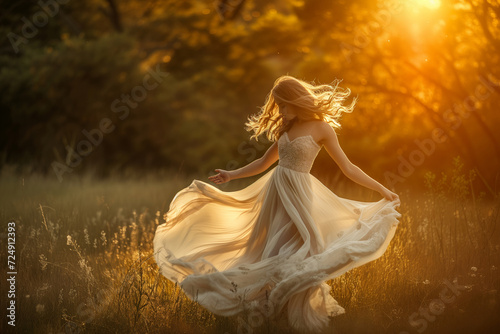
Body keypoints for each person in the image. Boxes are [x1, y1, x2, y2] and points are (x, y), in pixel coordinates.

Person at [153, 75, 401, 333]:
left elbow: (348, 167)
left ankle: (287, 311)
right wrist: (231, 175)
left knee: (304, 249)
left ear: (295, 100)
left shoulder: (321, 129)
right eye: (278, 105)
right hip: (276, 195)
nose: (280, 110)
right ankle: (267, 313)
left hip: (301, 197)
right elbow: (262, 163)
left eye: (283, 104)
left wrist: (381, 189)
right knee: (269, 250)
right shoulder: (287, 129)